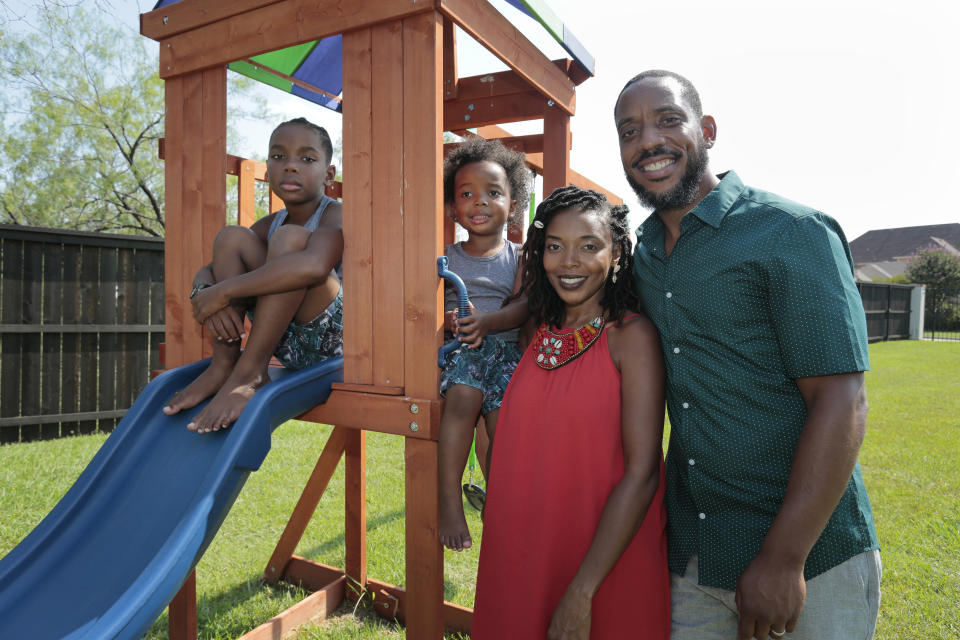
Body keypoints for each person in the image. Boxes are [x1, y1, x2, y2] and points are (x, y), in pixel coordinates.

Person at [614, 69, 880, 640]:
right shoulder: (644, 254)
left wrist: (785, 559)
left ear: (706, 129)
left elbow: (843, 398)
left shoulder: (790, 231)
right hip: (695, 558)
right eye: (629, 131)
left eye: (668, 120)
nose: (648, 142)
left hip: (814, 559)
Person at [472, 186, 670, 639]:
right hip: (521, 551)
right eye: (555, 247)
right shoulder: (538, 331)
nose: (569, 262)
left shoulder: (630, 338)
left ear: (616, 252)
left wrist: (582, 592)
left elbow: (643, 474)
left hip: (600, 561)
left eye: (589, 246)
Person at [162, 117, 344, 433]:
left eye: (307, 158)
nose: (290, 166)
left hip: (333, 346)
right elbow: (210, 270)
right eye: (278, 156)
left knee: (290, 239)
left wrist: (223, 293)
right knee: (232, 236)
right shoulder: (268, 224)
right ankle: (225, 363)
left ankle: (250, 374)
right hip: (282, 340)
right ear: (268, 168)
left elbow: (314, 266)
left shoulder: (336, 214)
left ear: (329, 175)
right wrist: (204, 290)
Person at [437, 137, 531, 551]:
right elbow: (431, 306)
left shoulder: (520, 257)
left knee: (504, 424)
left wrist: (488, 321)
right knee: (462, 397)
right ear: (453, 207)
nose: (479, 202)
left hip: (508, 350)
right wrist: (448, 321)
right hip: (464, 352)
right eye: (467, 194)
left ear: (513, 204)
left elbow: (524, 306)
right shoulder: (443, 257)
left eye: (493, 193)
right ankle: (449, 502)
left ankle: (504, 504)